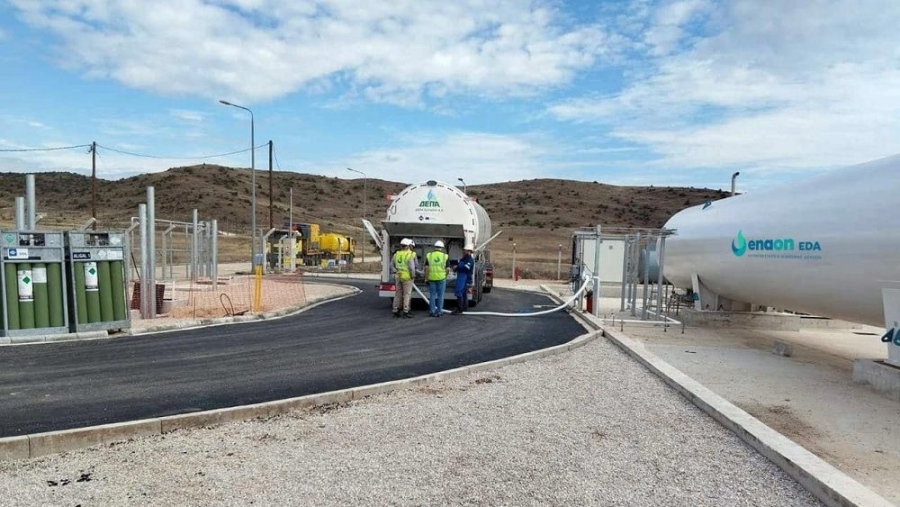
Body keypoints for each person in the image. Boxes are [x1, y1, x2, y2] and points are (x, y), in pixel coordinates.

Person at [391, 238, 417, 318]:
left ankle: (395, 310)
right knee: (407, 294)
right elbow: (412, 267)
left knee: (397, 294)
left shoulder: (397, 254)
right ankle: (406, 311)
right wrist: (413, 275)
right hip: (407, 277)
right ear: (408, 246)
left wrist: (395, 271)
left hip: (398, 276)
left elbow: (391, 265)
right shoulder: (410, 254)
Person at [425, 240, 449, 317]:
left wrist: (426, 278)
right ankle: (439, 312)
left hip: (431, 278)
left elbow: (426, 268)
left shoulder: (429, 255)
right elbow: (448, 269)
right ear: (442, 248)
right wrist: (445, 275)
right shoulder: (445, 256)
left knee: (432, 296)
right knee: (440, 296)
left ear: (434, 247)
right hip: (441, 278)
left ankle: (432, 311)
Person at [452, 243, 475, 315]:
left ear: (469, 251)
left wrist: (457, 267)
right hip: (462, 276)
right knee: (463, 292)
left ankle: (460, 309)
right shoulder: (464, 259)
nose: (464, 252)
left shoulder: (470, 260)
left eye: (465, 250)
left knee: (459, 291)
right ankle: (464, 307)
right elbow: (457, 262)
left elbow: (466, 268)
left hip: (465, 277)